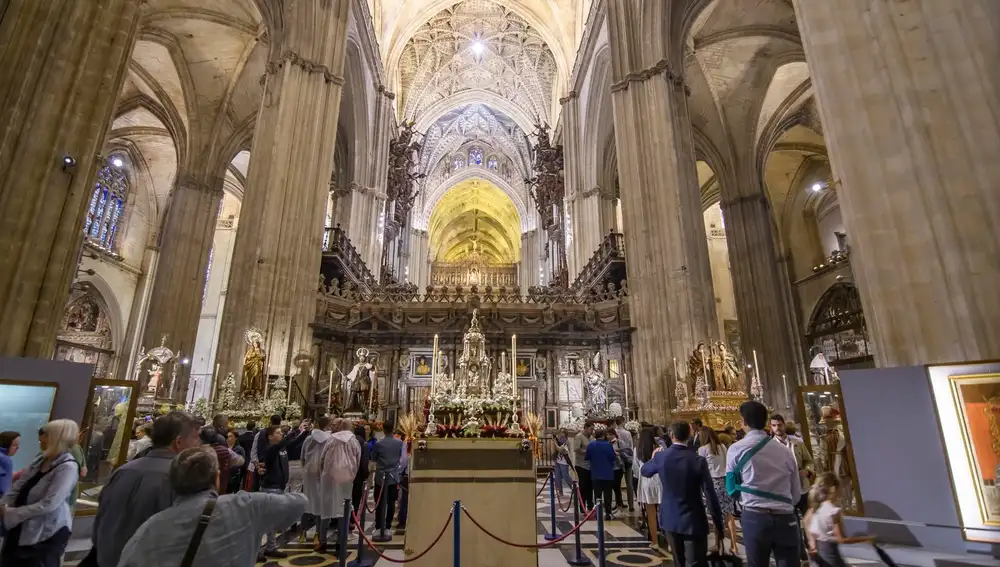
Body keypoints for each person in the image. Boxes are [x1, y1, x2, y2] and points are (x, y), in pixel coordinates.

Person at [116, 446, 308, 567]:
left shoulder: (149, 529)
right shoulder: (244, 506)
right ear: (217, 477)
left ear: (172, 482)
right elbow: (299, 502)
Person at [84, 411, 200, 567]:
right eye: (195, 437)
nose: (198, 443)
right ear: (178, 442)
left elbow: (101, 518)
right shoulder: (182, 479)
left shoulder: (123, 470)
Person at [726, 401, 801, 567]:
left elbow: (730, 487)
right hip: (785, 517)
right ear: (767, 422)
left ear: (744, 422)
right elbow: (796, 491)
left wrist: (747, 497)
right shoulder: (785, 451)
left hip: (755, 516)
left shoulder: (736, 449)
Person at [641, 421, 724, 567]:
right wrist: (718, 523)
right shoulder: (698, 460)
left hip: (670, 519)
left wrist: (654, 458)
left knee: (678, 561)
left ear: (671, 435)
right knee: (696, 562)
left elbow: (645, 471)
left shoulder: (662, 457)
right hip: (694, 519)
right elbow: (710, 494)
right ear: (690, 434)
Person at [0, 420, 78, 567]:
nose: (41, 439)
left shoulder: (67, 467)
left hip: (44, 534)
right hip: (19, 527)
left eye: (45, 435)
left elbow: (49, 504)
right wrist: (3, 504)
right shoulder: (40, 460)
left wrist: (10, 512)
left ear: (55, 438)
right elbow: (19, 485)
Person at [258, 423, 307, 559]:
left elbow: (293, 443)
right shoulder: (271, 449)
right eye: (278, 433)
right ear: (270, 437)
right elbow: (283, 443)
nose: (281, 435)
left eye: (281, 433)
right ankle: (256, 550)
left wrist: (304, 433)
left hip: (279, 487)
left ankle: (271, 547)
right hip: (270, 488)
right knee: (265, 521)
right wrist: (297, 430)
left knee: (274, 520)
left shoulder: (282, 448)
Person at [804, 473, 875, 567]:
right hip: (831, 556)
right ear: (833, 489)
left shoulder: (816, 508)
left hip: (818, 555)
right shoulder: (833, 511)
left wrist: (812, 542)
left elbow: (806, 521)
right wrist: (866, 539)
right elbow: (841, 539)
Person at [315, 419, 360, 552]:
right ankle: (340, 542)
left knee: (326, 509)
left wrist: (323, 473)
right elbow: (357, 458)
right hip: (346, 479)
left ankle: (322, 541)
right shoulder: (353, 440)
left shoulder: (331, 440)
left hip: (329, 479)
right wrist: (352, 474)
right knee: (343, 510)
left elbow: (322, 458)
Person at [697, 427, 737, 554]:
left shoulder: (702, 449)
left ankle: (717, 544)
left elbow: (700, 468)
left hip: (713, 483)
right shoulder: (723, 447)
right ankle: (734, 545)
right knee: (729, 515)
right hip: (725, 481)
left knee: (715, 515)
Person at [771, 414, 814, 514]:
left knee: (809, 516)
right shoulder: (770, 447)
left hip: (802, 486)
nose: (777, 428)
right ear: (771, 427)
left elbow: (809, 460)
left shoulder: (797, 443)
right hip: (784, 489)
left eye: (779, 425)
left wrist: (807, 471)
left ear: (784, 425)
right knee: (791, 520)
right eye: (774, 425)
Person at [301, 417, 333, 550]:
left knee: (307, 501)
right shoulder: (330, 439)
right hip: (323, 473)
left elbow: (302, 456)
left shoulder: (309, 438)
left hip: (309, 473)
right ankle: (318, 533)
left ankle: (302, 532)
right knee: (322, 505)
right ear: (327, 426)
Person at [370, 421, 403, 533]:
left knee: (379, 502)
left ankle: (379, 525)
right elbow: (401, 458)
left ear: (383, 429)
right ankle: (388, 525)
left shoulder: (379, 444)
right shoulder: (399, 443)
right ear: (393, 429)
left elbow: (373, 459)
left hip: (381, 477)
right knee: (391, 502)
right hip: (393, 476)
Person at [634, 427, 663, 547]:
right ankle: (671, 543)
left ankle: (655, 541)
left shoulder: (638, 449)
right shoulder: (658, 447)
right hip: (659, 479)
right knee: (663, 511)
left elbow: (635, 467)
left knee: (650, 513)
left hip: (645, 480)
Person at [585, 429, 617, 520]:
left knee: (597, 495)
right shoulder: (608, 445)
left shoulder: (591, 445)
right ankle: (608, 512)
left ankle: (597, 512)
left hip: (595, 473)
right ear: (603, 436)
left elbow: (587, 457)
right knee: (608, 495)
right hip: (607, 473)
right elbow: (613, 458)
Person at [571, 422, 595, 510]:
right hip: (581, 465)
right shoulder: (579, 436)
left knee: (590, 486)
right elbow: (576, 449)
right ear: (585, 428)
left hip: (590, 465)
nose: (592, 431)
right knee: (583, 485)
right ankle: (582, 504)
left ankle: (590, 504)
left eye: (593, 429)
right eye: (591, 429)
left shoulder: (592, 438)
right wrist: (586, 452)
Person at [200, 427, 231, 493]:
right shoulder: (226, 450)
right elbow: (239, 461)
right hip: (222, 483)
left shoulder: (201, 452)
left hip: (206, 488)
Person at [351, 424, 371, 519]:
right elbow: (364, 461)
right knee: (356, 497)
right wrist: (366, 474)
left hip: (348, 472)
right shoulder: (364, 444)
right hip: (358, 474)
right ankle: (352, 518)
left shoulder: (350, 441)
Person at [0, 431, 20, 499]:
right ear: (5, 445)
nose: (18, 448)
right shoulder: (5, 460)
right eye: (14, 445)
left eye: (18, 445)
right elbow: (5, 488)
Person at [226, 428, 247, 494]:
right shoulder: (223, 448)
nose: (229, 438)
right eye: (227, 436)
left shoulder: (240, 449)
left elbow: (241, 463)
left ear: (236, 438)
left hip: (234, 475)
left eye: (231, 436)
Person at [553, 429, 571, 497]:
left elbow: (560, 449)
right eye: (560, 435)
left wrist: (554, 442)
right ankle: (560, 492)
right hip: (558, 461)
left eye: (563, 436)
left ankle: (574, 488)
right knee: (557, 477)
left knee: (565, 476)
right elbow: (555, 450)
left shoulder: (567, 443)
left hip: (564, 462)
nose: (561, 437)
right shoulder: (558, 441)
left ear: (566, 436)